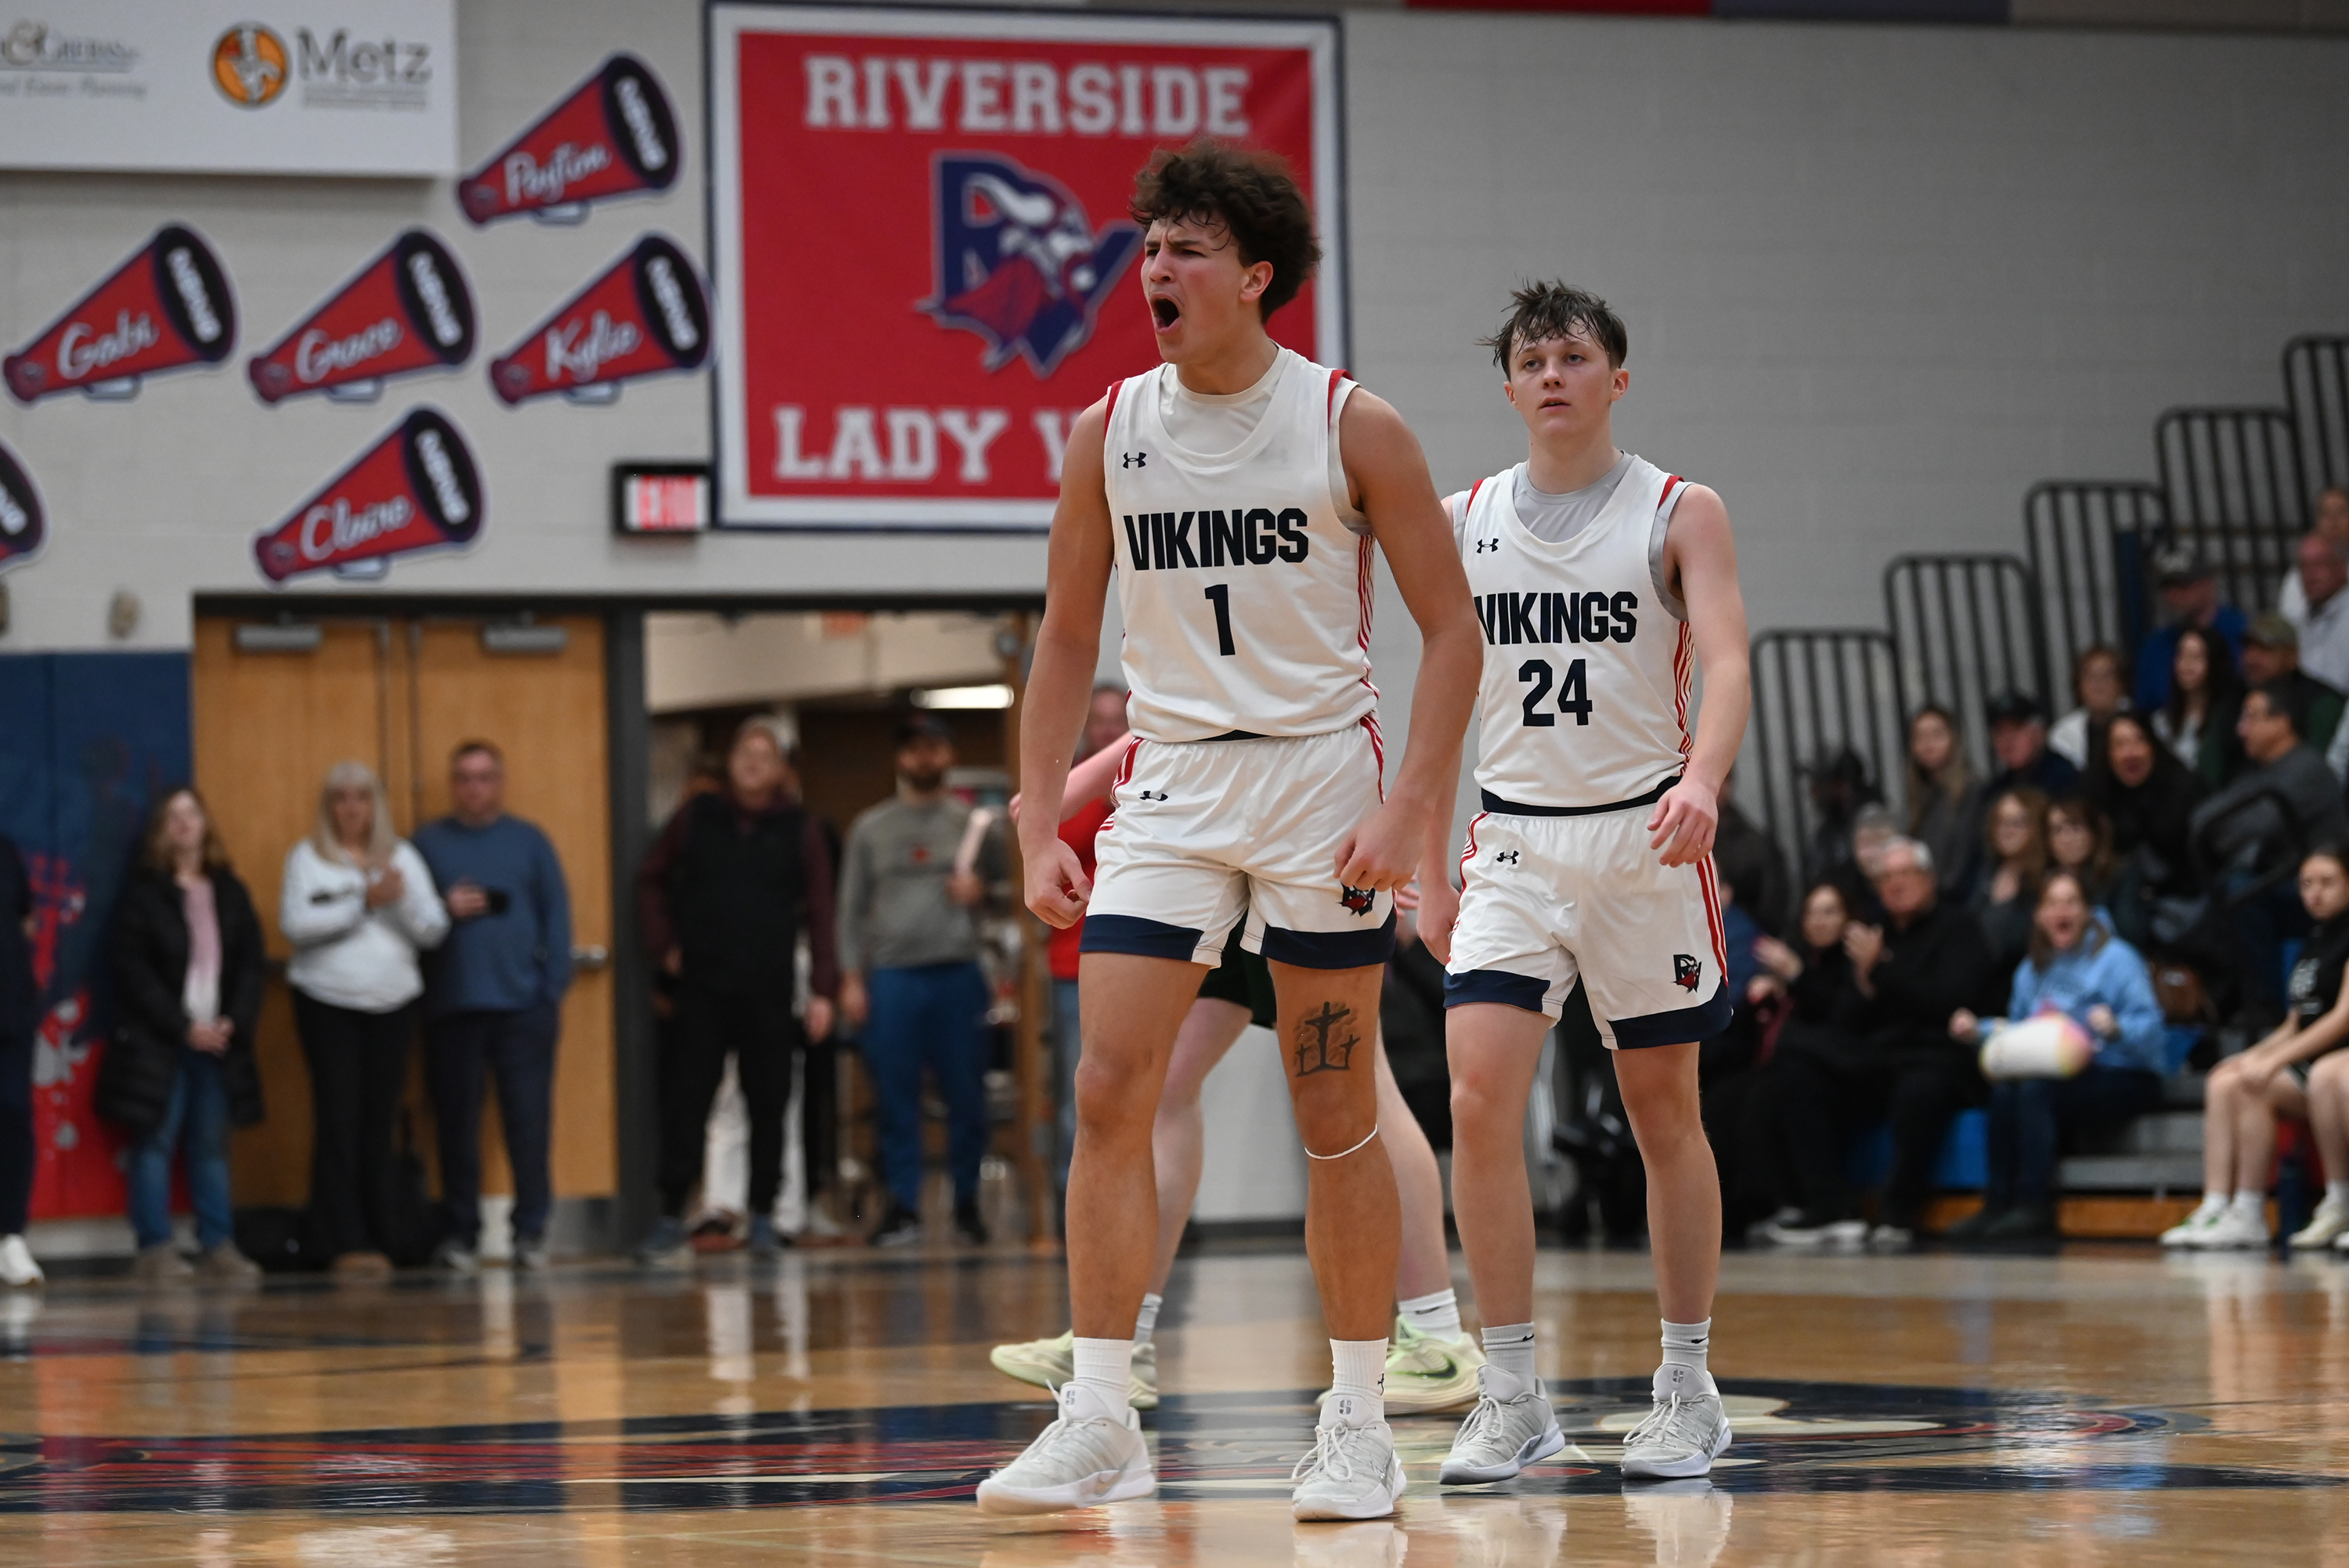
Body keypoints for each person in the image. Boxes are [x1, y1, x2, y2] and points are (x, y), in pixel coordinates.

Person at [980, 141, 1480, 1523]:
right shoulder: (1110, 429)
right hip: (1177, 789)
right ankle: (1094, 1410)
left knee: (1334, 1112)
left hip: (1320, 786)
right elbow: (1066, 636)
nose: (1157, 270)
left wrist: (1411, 805)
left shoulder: (1350, 424)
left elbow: (1453, 630)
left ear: (1256, 276)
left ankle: (1362, 1420)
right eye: (1148, 249)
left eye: (1187, 249)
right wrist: (1038, 817)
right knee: (1107, 1091)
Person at [1426, 279, 1750, 1487]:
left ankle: (1687, 1381)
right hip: (1512, 841)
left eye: (1574, 355)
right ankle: (1510, 1390)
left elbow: (1726, 655)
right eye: (1531, 358)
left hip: (1642, 840)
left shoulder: (1679, 508)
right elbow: (1441, 695)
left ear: (1618, 378)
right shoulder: (1461, 517)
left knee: (1662, 1111)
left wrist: (1705, 779)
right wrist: (1425, 859)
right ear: (1508, 389)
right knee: (1475, 1100)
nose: (1552, 373)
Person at [990, 734, 1486, 1416]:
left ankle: (1437, 1336)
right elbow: (1193, 694)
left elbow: (1250, 689)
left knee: (1357, 1083)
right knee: (1161, 1086)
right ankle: (1121, 1334)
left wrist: (1411, 832)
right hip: (1211, 829)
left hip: (1292, 819)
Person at [635, 719, 839, 1264]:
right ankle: (670, 1211)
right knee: (689, 1099)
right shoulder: (696, 816)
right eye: (743, 751)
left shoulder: (800, 828)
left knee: (768, 1102)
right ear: (729, 761)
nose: (752, 762)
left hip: (769, 988)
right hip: (702, 984)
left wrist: (823, 989)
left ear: (781, 770)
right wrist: (664, 945)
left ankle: (765, 1214)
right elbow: (651, 878)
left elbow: (821, 911)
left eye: (764, 754)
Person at [1752, 838, 1997, 1249]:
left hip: (1937, 1057)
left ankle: (1898, 1213)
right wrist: (1862, 987)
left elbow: (1952, 1002)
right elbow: (1849, 1021)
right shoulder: (1871, 935)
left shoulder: (1959, 929)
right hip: (1880, 1059)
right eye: (1886, 878)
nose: (1896, 885)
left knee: (1919, 1090)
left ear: (1930, 879)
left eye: (1906, 874)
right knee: (1794, 1077)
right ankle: (1830, 1207)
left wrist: (1881, 973)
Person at [836, 716, 1008, 1247]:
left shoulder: (976, 826)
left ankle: (965, 1202)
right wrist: (850, 978)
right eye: (913, 749)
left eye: (933, 747)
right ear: (900, 759)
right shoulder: (871, 828)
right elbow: (850, 908)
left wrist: (981, 892)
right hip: (892, 978)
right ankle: (904, 1204)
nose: (923, 758)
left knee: (966, 1095)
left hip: (957, 973)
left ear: (948, 755)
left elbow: (1012, 895)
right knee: (895, 1096)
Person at [280, 761, 449, 1280]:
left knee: (380, 1121)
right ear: (328, 806)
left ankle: (385, 1234)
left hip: (393, 1003)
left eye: (361, 797)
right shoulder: (308, 858)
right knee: (338, 1118)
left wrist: (393, 904)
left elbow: (433, 929)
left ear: (376, 804)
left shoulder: (404, 857)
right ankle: (341, 1237)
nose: (351, 808)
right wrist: (362, 902)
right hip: (327, 1001)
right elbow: (296, 925)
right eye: (340, 798)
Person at [411, 742, 572, 1274]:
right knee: (457, 1125)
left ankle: (530, 1229)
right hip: (453, 1006)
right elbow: (411, 919)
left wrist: (550, 986)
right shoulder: (428, 844)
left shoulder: (529, 842)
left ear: (500, 782)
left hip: (523, 1007)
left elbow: (557, 913)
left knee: (528, 1122)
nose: (474, 787)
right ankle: (460, 1229)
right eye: (463, 777)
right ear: (453, 784)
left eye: (483, 777)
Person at [102, 791, 268, 1283]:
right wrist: (181, 1026)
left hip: (218, 1039)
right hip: (161, 1042)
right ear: (159, 830)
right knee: (155, 1140)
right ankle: (154, 1247)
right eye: (172, 816)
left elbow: (250, 965)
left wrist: (231, 1021)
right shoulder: (144, 894)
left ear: (206, 823)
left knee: (211, 1143)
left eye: (191, 813)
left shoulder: (230, 892)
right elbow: (132, 970)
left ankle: (218, 1244)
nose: (183, 823)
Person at [1946, 871, 2166, 1241]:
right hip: (2062, 1074)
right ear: (2039, 916)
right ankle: (1997, 1202)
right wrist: (1978, 1031)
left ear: (2087, 912)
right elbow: (2019, 1030)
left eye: (2070, 902)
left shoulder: (2117, 959)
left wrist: (2118, 1028)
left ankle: (2035, 1206)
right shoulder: (2032, 969)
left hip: (2123, 1072)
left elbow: (2153, 1031)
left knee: (2034, 1092)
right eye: (2052, 903)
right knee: (2003, 1094)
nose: (2061, 911)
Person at [2162, 848, 2349, 1249]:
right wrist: (2255, 1057)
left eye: (2327, 883)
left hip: (2336, 1061)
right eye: (2306, 884)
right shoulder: (2313, 941)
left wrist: (2278, 1060)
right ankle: (2234, 1209)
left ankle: (2340, 1200)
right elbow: (2296, 1023)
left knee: (2322, 1075)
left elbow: (2342, 1018)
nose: (2315, 894)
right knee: (2233, 1080)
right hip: (2313, 1065)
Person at [2191, 682, 2349, 1013]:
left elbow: (2246, 828)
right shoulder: (2258, 770)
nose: (2240, 728)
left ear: (2282, 722)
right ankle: (2220, 1002)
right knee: (2226, 891)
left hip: (2325, 891)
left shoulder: (2307, 770)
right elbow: (2203, 819)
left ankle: (2267, 1008)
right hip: (2285, 881)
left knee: (2241, 895)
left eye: (2251, 718)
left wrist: (2225, 831)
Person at [1711, 881, 1854, 1235]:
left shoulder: (1855, 962)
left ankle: (1826, 1204)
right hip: (1795, 1063)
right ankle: (1744, 1210)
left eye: (1829, 912)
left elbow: (1844, 1017)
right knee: (1723, 1099)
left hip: (1847, 1067)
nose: (1819, 921)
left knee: (1780, 1088)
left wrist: (1796, 977)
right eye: (1812, 912)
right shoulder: (1798, 959)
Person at [1048, 685, 1130, 1193]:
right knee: (1077, 1092)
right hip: (1071, 962)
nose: (1105, 728)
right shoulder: (1069, 787)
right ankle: (1071, 1204)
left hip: (1139, 956)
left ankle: (1145, 1200)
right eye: (1097, 720)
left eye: (1115, 719)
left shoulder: (1154, 784)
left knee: (1147, 1085)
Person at [2134, 546, 2248, 715]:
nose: (2174, 595)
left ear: (2208, 585)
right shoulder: (2155, 647)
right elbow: (2145, 706)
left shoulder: (2241, 632)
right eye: (2168, 588)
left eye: (2183, 586)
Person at [0, 834, 35, 1287]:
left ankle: (11, 1236)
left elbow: (25, 919)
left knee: (12, 1116)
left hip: (10, 1009)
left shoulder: (6, 849)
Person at [1905, 705, 1985, 901]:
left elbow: (1961, 867)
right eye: (1920, 737)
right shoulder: (1922, 798)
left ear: (1954, 739)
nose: (1928, 744)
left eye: (1937, 735)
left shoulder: (1972, 792)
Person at [1971, 788, 2048, 982]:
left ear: (2036, 827)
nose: (2007, 830)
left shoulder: (2044, 882)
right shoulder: (1985, 872)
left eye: (2018, 822)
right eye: (2001, 821)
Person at [2239, 613, 2344, 756]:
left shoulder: (2322, 702)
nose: (2252, 658)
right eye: (2249, 648)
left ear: (2292, 655)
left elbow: (2315, 766)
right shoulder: (2236, 697)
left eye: (2265, 649)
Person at [2152, 623, 2244, 787]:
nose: (2187, 665)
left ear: (2215, 662)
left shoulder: (2231, 718)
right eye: (2182, 655)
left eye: (2197, 657)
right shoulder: (2161, 720)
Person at [1710, 770, 1790, 938]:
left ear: (1729, 783)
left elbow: (1773, 902)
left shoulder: (1756, 844)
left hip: (1744, 938)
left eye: (1717, 779)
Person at [2283, 521, 2349, 692]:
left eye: (2319, 565)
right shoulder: (2297, 617)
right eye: (2304, 567)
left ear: (2341, 567)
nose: (2310, 575)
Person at [1983, 693, 2079, 803]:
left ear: (2040, 732)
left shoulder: (2067, 781)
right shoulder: (1995, 792)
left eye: (2016, 728)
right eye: (2000, 732)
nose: (2008, 740)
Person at [2276, 486, 2349, 624]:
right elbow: (2291, 621)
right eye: (2326, 514)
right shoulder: (2298, 576)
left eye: (2341, 512)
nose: (2334, 522)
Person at [2048, 646, 2127, 771]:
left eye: (2106, 675)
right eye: (2091, 676)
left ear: (2121, 682)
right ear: (2079, 686)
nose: (2098, 684)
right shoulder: (2063, 734)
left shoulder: (2145, 722)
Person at [2045, 796, 2119, 911]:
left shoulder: (2117, 879)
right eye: (2057, 830)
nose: (2066, 838)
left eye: (2075, 828)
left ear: (2094, 833)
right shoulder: (2041, 885)